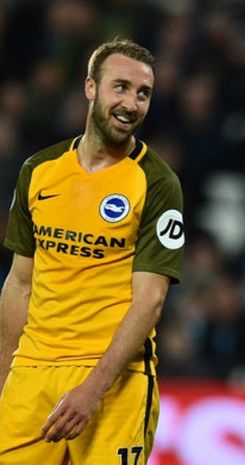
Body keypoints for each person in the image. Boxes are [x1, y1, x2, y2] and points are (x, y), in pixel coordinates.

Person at [0, 38, 184, 464]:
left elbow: (151, 299)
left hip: (115, 382)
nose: (132, 103)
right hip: (33, 373)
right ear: (90, 88)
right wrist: (5, 381)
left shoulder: (157, 183)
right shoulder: (38, 172)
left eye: (143, 94)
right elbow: (19, 284)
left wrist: (92, 390)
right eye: (120, 87)